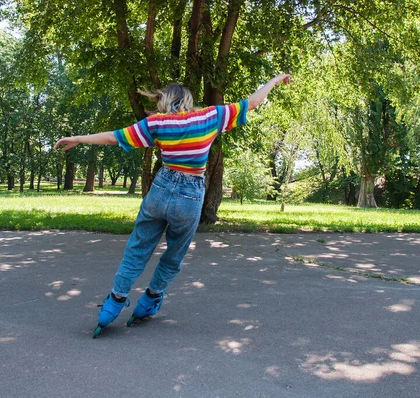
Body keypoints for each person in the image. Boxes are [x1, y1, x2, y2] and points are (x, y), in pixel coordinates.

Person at [54, 73, 291, 337]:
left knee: (137, 250)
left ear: (165, 101)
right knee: (174, 255)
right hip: (190, 196)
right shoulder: (211, 117)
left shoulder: (156, 123)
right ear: (188, 100)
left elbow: (113, 137)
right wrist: (275, 80)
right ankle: (150, 300)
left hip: (161, 189)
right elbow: (254, 101)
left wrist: (77, 138)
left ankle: (114, 303)